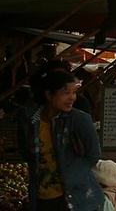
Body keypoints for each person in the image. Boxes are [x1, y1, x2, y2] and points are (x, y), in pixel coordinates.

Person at [18, 68, 103, 211]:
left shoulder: (79, 120)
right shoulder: (28, 121)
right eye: (66, 93)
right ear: (49, 94)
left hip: (76, 198)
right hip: (41, 198)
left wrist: (73, 174)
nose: (72, 98)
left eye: (73, 92)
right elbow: (27, 154)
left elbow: (93, 155)